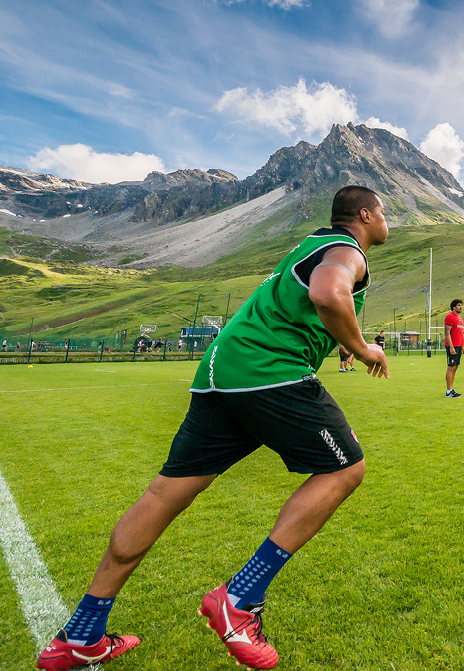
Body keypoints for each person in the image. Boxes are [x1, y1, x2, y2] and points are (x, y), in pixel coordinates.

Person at [36, 185, 390, 671]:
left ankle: (80, 633)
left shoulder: (311, 245)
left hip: (219, 373)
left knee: (163, 496)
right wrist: (367, 348)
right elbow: (329, 293)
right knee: (345, 469)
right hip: (269, 371)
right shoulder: (347, 251)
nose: (389, 223)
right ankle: (239, 599)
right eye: (385, 214)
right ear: (366, 216)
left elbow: (307, 304)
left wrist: (342, 341)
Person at [444, 299, 464, 397]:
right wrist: (451, 347)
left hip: (458, 346)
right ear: (454, 307)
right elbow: (447, 333)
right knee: (450, 368)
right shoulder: (450, 317)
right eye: (458, 305)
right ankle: (448, 391)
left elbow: (460, 333)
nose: (461, 307)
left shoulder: (459, 318)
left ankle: (451, 389)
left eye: (461, 305)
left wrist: (462, 345)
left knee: (455, 367)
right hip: (452, 346)